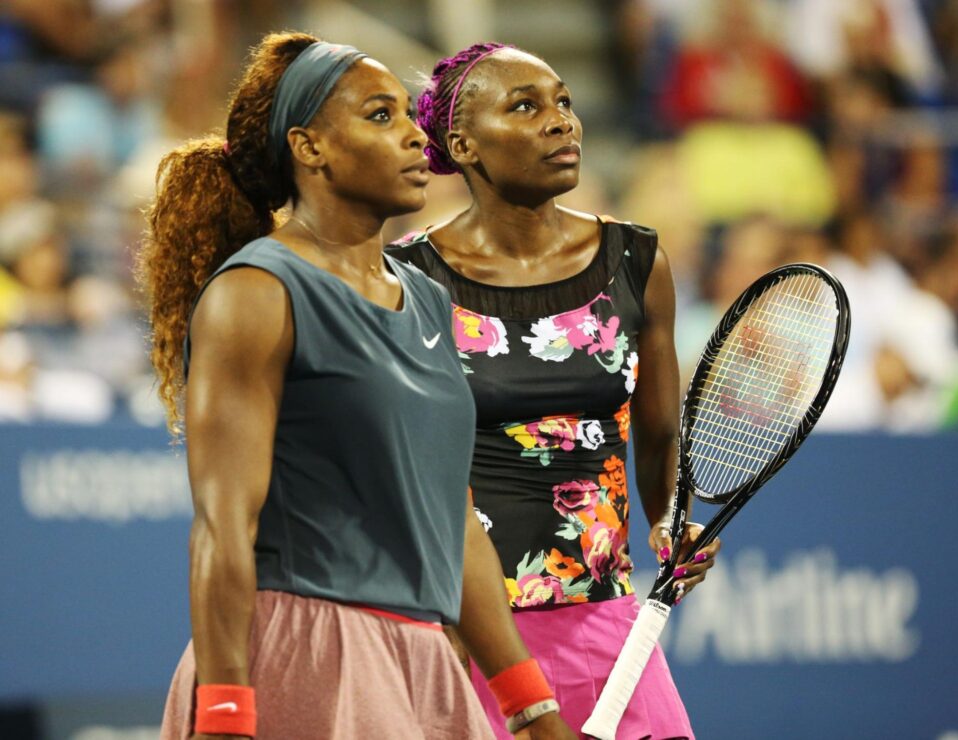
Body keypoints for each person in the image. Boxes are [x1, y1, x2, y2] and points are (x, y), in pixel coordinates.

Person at [137, 32, 574, 739]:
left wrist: (531, 706)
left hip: (422, 660)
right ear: (310, 148)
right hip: (302, 649)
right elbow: (223, 526)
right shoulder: (256, 292)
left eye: (407, 113)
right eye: (379, 115)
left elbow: (456, 524)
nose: (414, 135)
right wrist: (223, 711)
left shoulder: (427, 298)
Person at [388, 43, 721, 739]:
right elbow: (403, 471)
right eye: (525, 106)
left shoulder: (637, 261)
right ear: (463, 145)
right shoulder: (406, 279)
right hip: (465, 630)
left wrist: (668, 521)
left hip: (606, 619)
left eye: (564, 102)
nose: (561, 121)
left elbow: (659, 434)